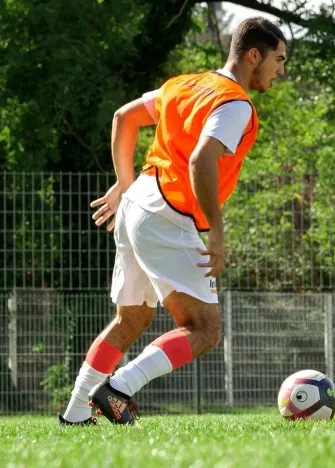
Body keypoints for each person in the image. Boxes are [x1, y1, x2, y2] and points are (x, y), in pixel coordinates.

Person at [57, 17, 288, 425]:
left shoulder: (184, 84)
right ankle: (118, 387)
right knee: (204, 328)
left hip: (139, 202)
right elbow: (202, 160)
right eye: (279, 59)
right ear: (255, 55)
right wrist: (216, 232)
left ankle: (75, 413)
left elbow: (123, 117)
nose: (281, 70)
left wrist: (124, 184)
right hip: (167, 212)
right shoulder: (235, 103)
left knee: (132, 318)